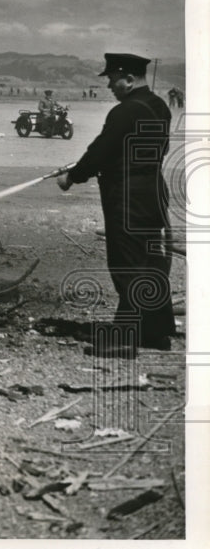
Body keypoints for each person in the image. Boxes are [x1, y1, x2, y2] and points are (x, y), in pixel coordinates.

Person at [56, 53, 174, 357]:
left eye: (112, 78)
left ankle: (125, 338)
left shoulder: (125, 111)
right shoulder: (159, 106)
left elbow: (101, 150)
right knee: (150, 262)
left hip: (128, 195)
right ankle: (156, 333)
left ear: (129, 79)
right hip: (153, 190)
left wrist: (73, 175)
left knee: (127, 264)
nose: (109, 84)